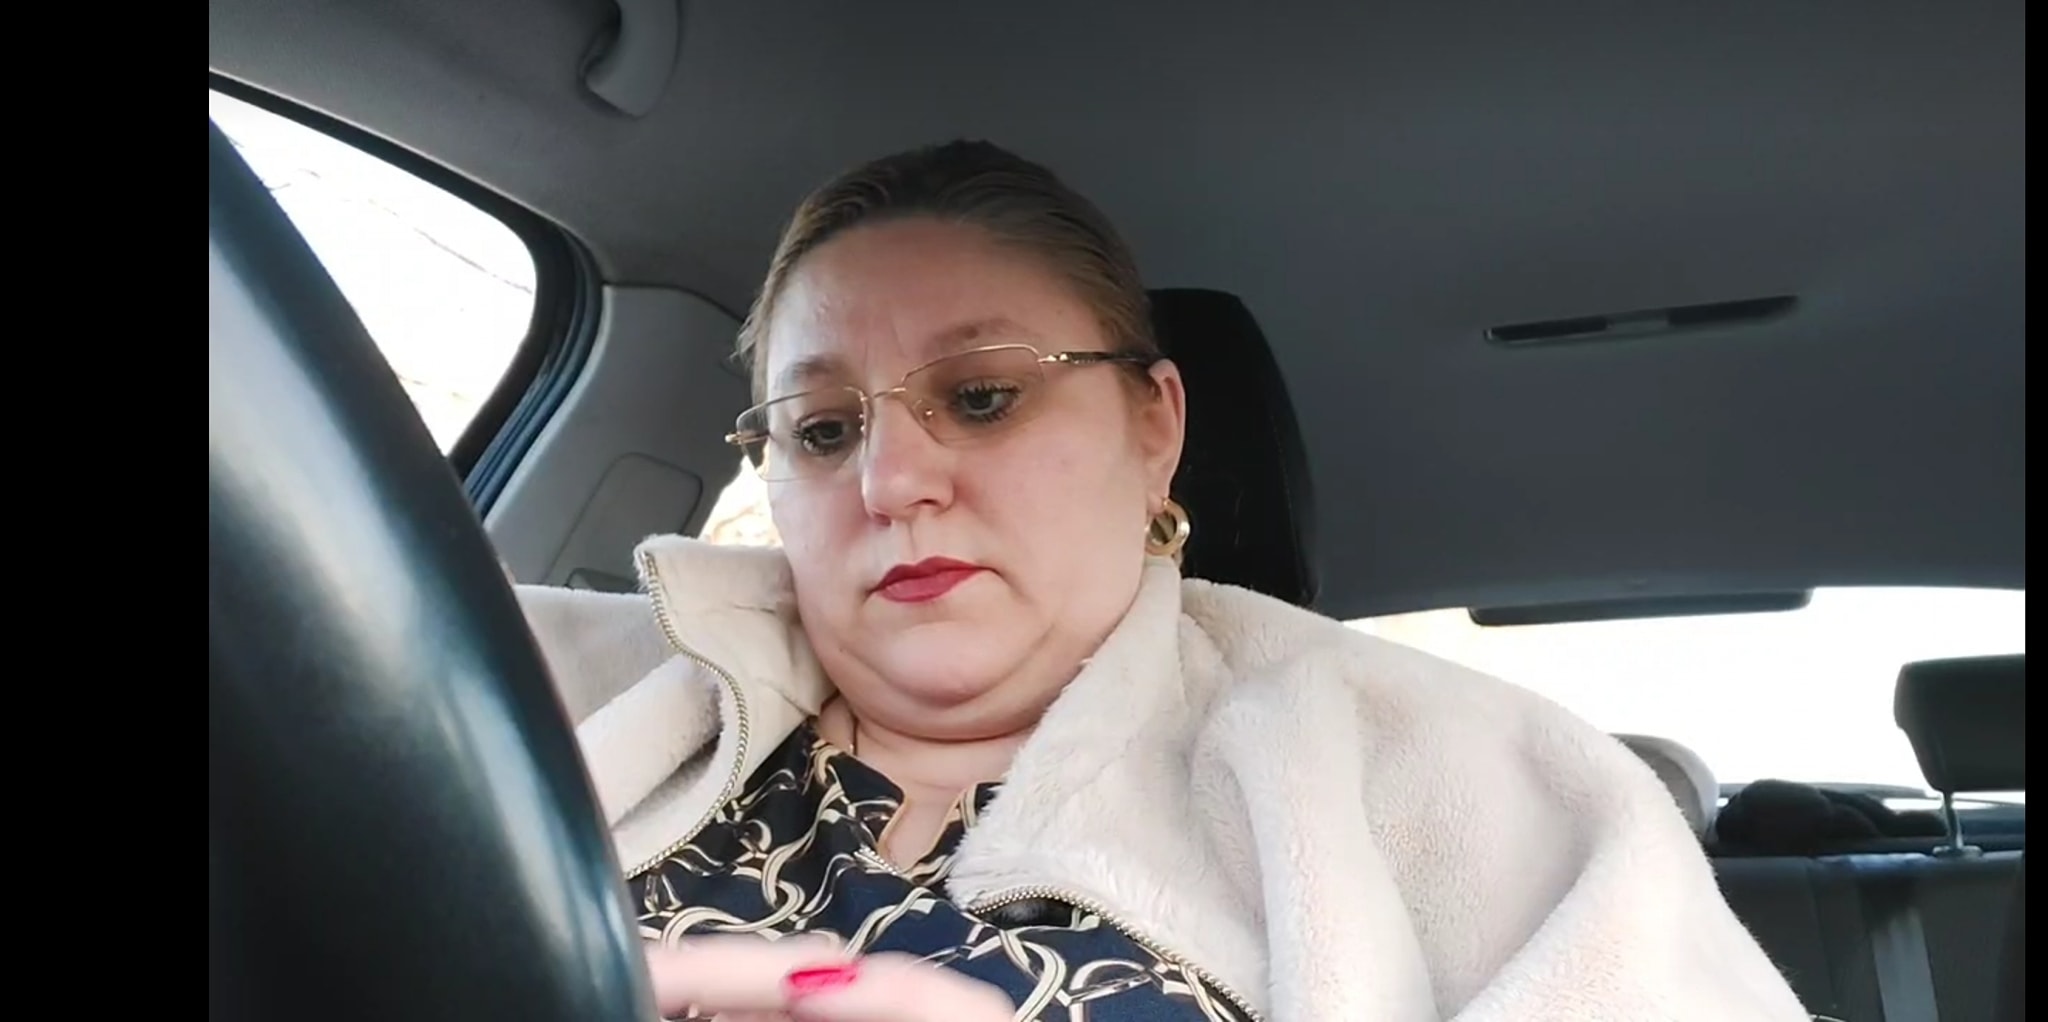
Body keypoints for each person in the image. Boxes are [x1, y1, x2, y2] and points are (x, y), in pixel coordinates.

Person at [516, 140, 1812, 1021]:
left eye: (983, 396)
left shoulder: (1465, 777)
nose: (889, 479)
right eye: (822, 427)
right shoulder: (521, 684)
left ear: (1157, 428)